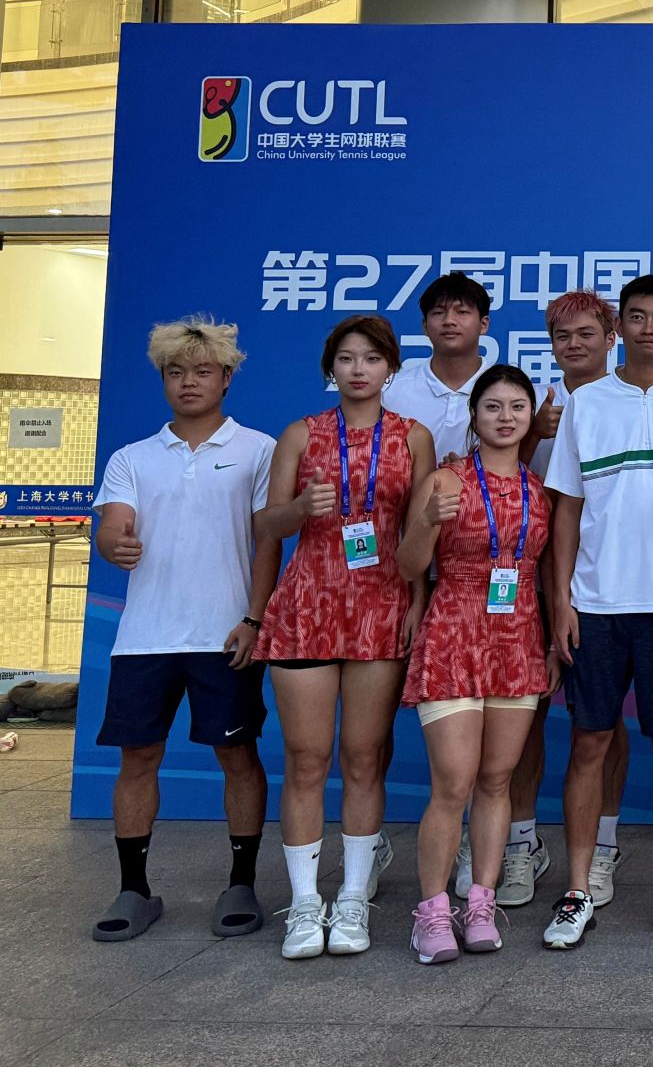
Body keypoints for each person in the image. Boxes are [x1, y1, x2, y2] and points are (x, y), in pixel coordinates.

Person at [542, 275, 653, 950]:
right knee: (589, 743)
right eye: (638, 317)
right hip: (596, 605)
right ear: (621, 327)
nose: (650, 329)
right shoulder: (586, 403)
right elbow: (566, 508)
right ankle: (577, 890)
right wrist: (562, 600)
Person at [90, 318, 277, 944]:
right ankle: (133, 890)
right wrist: (113, 543)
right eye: (176, 372)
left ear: (226, 378)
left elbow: (267, 543)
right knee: (138, 758)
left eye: (202, 371)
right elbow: (112, 526)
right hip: (145, 637)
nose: (188, 382)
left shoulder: (259, 449)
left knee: (237, 756)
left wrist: (254, 618)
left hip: (225, 634)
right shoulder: (131, 458)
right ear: (163, 380)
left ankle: (241, 883)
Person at [254, 314, 435, 959]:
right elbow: (267, 525)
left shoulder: (414, 437)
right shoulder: (301, 434)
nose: (359, 369)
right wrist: (300, 509)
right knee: (306, 759)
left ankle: (354, 897)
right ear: (330, 367)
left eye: (372, 358)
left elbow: (421, 532)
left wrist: (418, 605)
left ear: (391, 368)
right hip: (307, 606)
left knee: (363, 756)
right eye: (347, 358)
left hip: (380, 607)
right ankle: (305, 903)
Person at [453, 290, 629, 912]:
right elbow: (493, 481)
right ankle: (520, 842)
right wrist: (532, 437)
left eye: (586, 333)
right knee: (520, 718)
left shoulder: (627, 405)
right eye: (562, 335)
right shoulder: (531, 411)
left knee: (602, 721)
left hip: (603, 587)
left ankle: (603, 845)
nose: (573, 344)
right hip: (521, 587)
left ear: (610, 338)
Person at [396, 365, 553, 964]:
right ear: (474, 415)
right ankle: (433, 912)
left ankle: (481, 905)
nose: (505, 417)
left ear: (529, 417)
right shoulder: (444, 479)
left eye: (517, 407)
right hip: (454, 635)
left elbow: (545, 572)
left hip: (517, 638)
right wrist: (427, 523)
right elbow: (409, 566)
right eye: (493, 406)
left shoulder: (539, 488)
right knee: (453, 783)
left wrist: (547, 646)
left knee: (496, 781)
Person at [383, 271, 491, 462]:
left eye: (462, 312)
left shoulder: (507, 391)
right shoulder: (390, 390)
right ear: (425, 326)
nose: (449, 321)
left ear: (483, 324)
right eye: (438, 313)